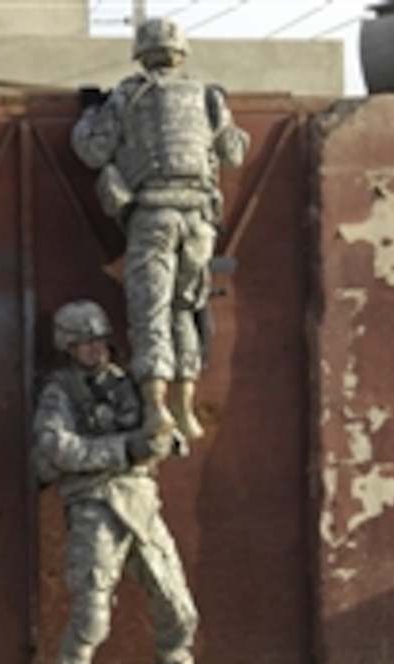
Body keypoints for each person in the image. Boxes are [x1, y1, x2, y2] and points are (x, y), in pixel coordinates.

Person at [32, 299, 233, 664]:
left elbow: (167, 433)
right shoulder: (59, 393)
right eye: (84, 342)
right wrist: (127, 447)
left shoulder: (130, 386)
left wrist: (166, 438)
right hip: (95, 506)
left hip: (142, 504)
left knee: (178, 607)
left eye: (99, 340)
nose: (94, 349)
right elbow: (56, 449)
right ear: (68, 346)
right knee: (91, 616)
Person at [71, 17, 250, 441]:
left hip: (153, 216)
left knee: (149, 312)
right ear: (181, 54)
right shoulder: (206, 97)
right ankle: (184, 409)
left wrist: (88, 114)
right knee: (184, 310)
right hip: (200, 222)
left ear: (142, 55)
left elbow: (93, 151)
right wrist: (222, 113)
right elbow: (236, 152)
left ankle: (156, 411)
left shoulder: (129, 96)